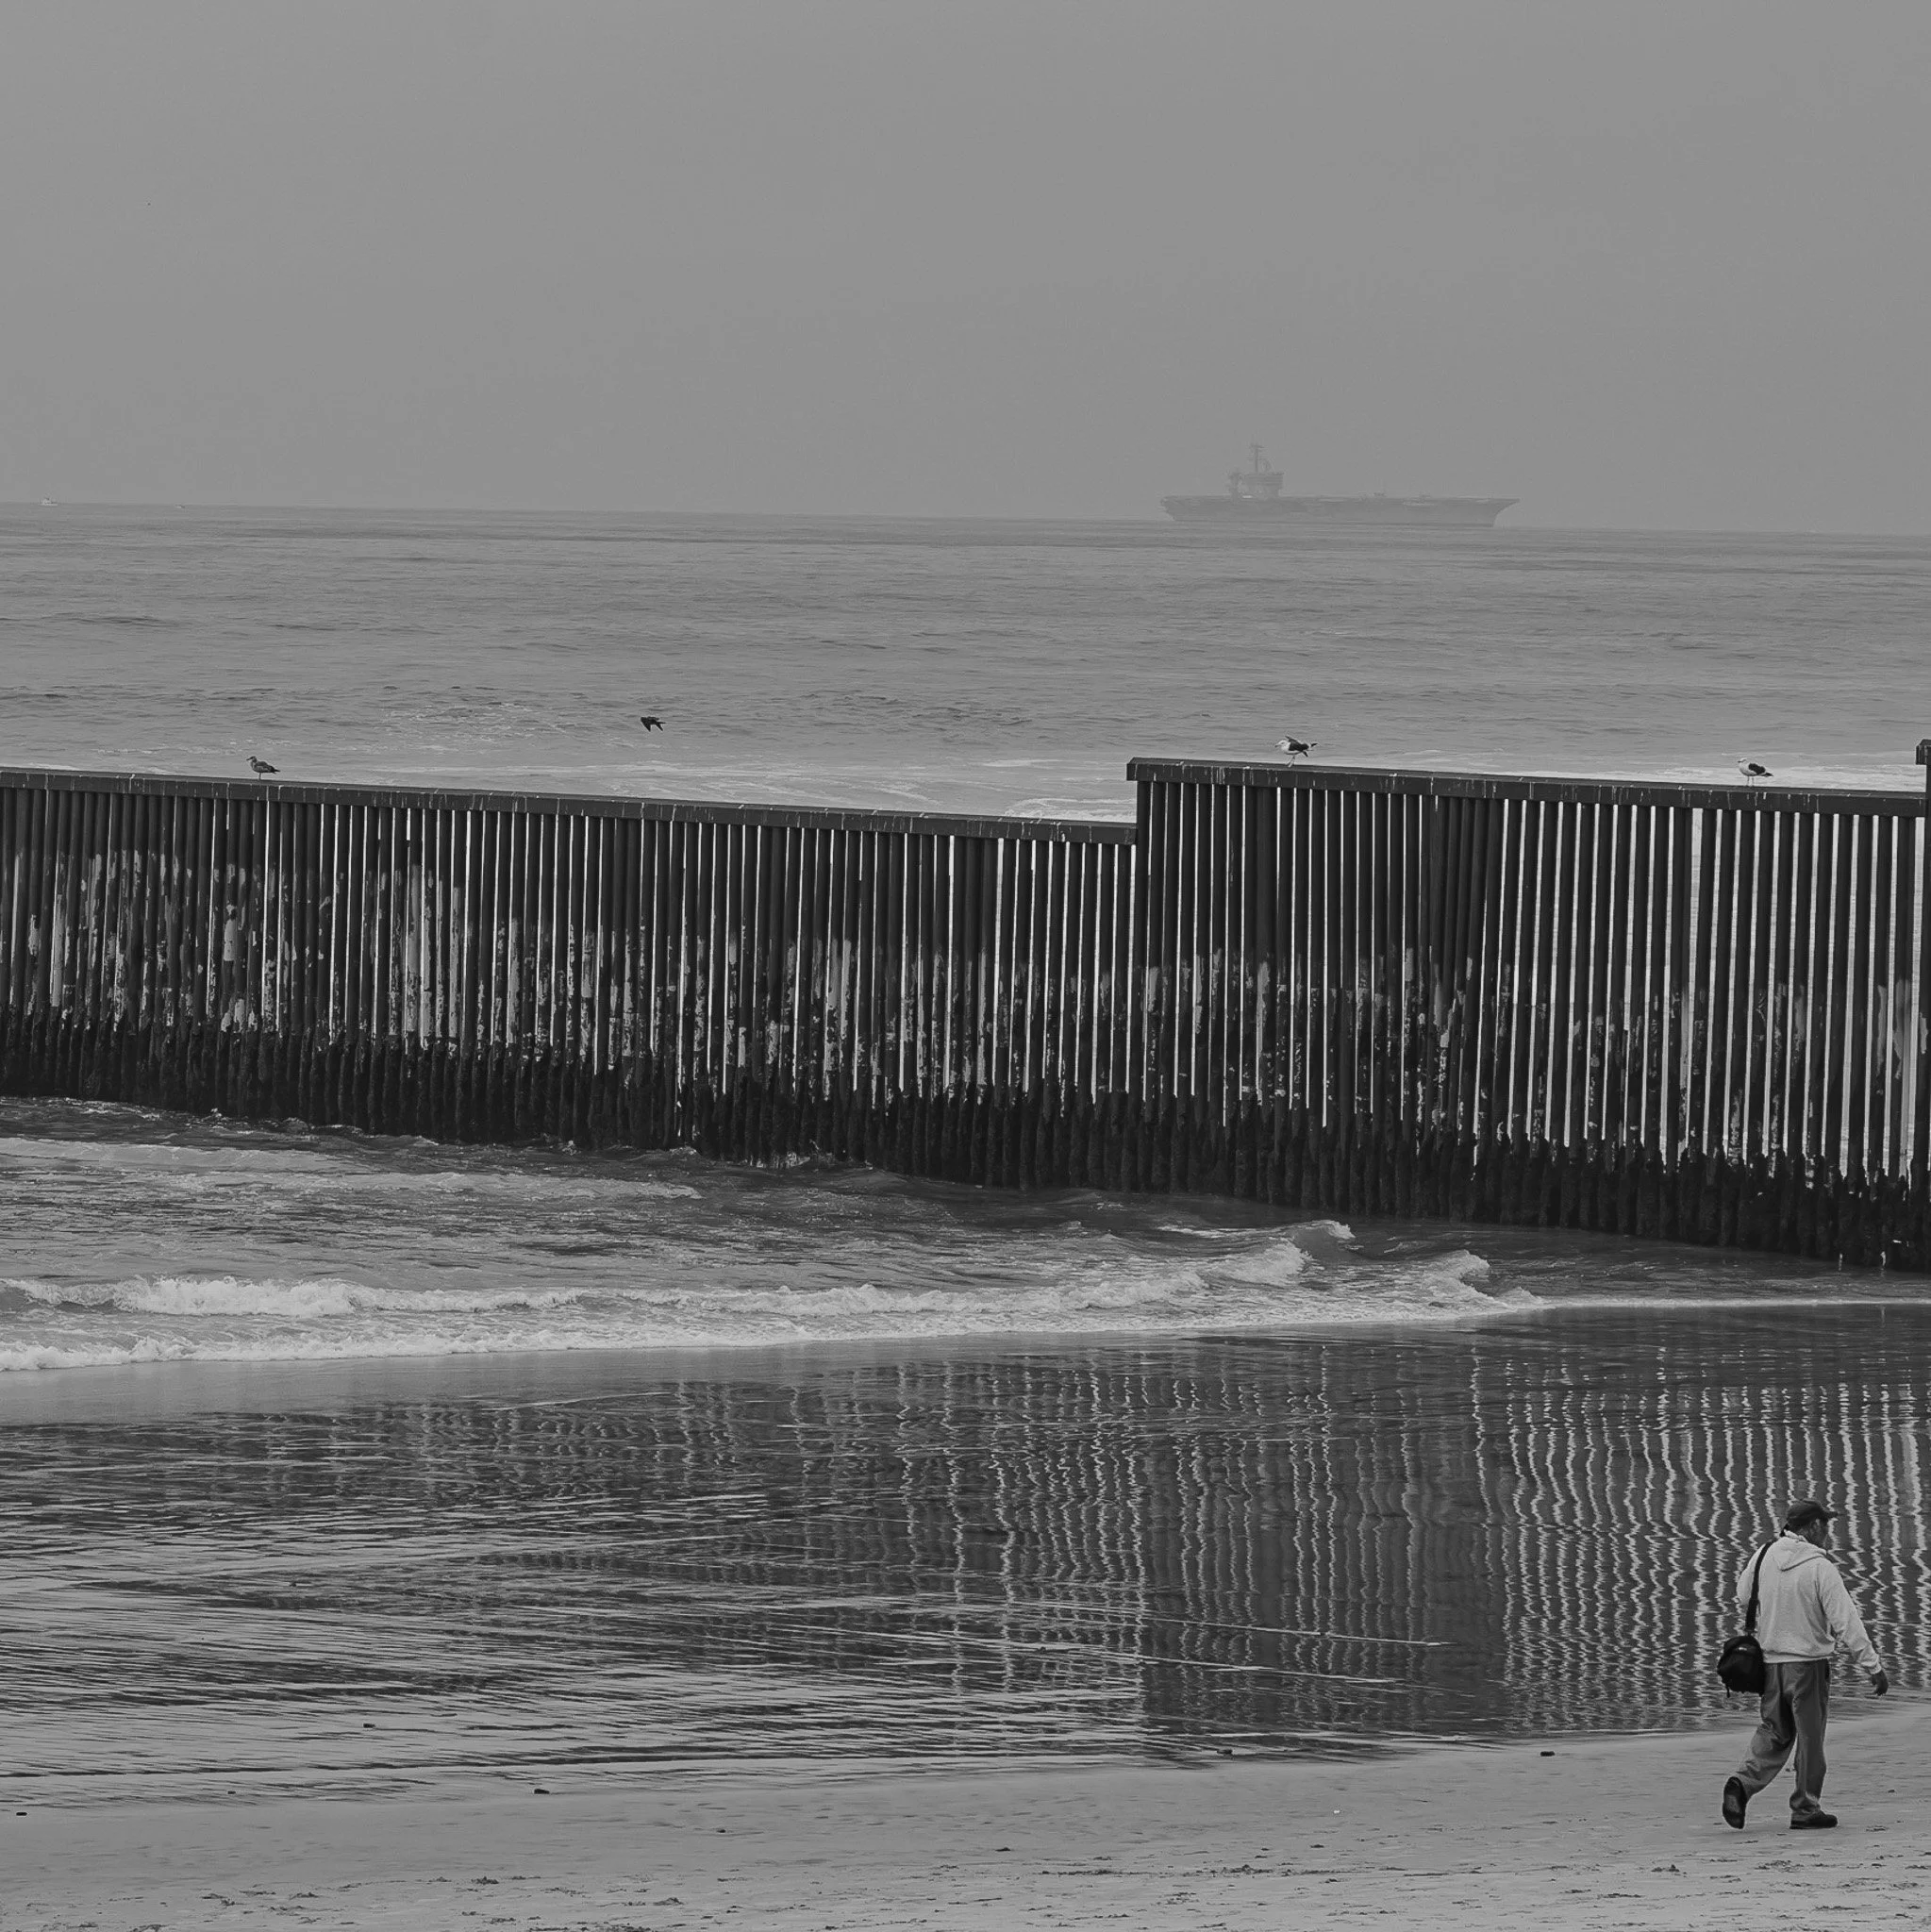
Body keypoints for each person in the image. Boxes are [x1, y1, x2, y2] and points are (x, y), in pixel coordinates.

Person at [1722, 1499, 1888, 1832]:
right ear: (1811, 1527)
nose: (1828, 1532)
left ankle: (1741, 1783)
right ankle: (1806, 1807)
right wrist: (1873, 1665)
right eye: (1825, 1525)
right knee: (1810, 1738)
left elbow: (1742, 1595)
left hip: (1769, 1665)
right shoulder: (1819, 1567)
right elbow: (1846, 1620)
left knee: (1774, 1731)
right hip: (1808, 1666)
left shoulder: (1763, 1555)